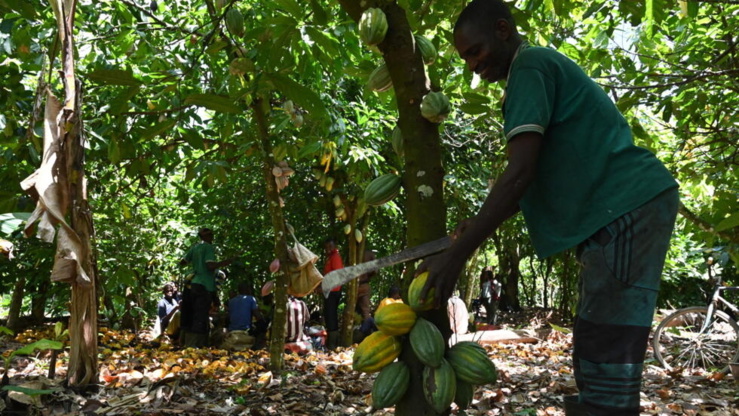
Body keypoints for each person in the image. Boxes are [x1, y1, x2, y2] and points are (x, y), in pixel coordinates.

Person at [417, 1, 679, 415]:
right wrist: (474, 228)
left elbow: (520, 174)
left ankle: (606, 408)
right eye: (465, 57)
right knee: (598, 328)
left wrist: (455, 258)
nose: (471, 65)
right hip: (620, 207)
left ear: (503, 30)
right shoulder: (532, 71)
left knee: (609, 333)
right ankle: (598, 405)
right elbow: (530, 179)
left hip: (627, 204)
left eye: (475, 51)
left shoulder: (530, 67)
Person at [179, 227, 235, 348]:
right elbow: (210, 266)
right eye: (210, 235)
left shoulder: (195, 247)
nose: (212, 237)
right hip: (204, 285)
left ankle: (189, 344)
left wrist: (195, 265)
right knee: (201, 315)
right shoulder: (208, 247)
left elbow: (182, 262)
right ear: (207, 237)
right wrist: (226, 262)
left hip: (193, 284)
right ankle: (196, 346)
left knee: (192, 313)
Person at [322, 237, 343, 349]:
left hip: (333, 290)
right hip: (329, 290)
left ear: (334, 247)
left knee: (331, 315)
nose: (328, 249)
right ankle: (331, 342)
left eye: (330, 246)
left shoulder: (335, 257)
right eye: (327, 247)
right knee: (329, 315)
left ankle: (332, 344)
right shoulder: (330, 257)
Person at [356, 249, 377, 321]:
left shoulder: (352, 252)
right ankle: (366, 328)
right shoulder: (369, 254)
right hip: (364, 284)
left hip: (355, 286)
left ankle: (356, 328)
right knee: (365, 311)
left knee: (351, 309)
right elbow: (375, 271)